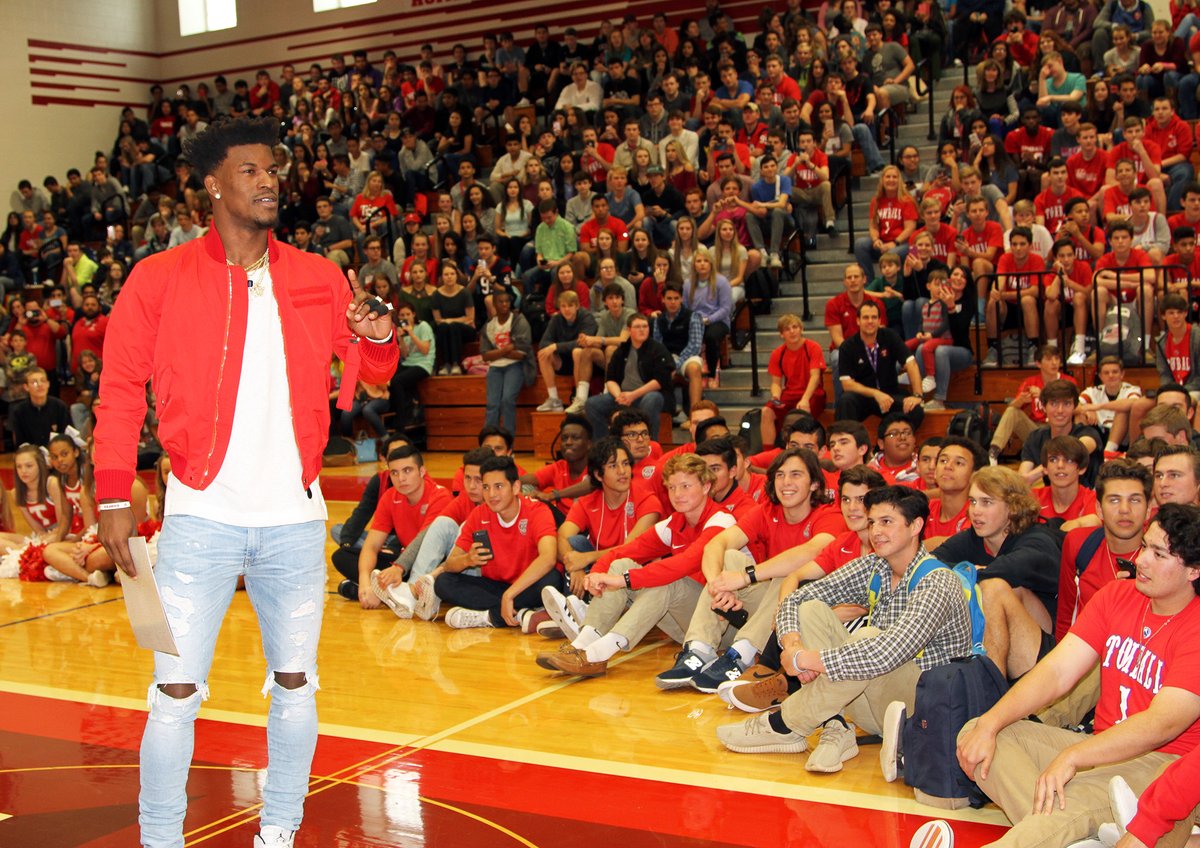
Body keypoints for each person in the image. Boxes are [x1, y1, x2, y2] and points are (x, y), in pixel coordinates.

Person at [93, 117, 397, 848]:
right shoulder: (158, 278)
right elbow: (120, 388)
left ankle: (278, 836)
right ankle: (160, 840)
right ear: (213, 184)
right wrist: (111, 495)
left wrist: (378, 334)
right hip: (200, 519)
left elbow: (372, 378)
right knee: (172, 695)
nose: (270, 182)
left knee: (296, 687)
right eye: (253, 171)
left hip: (295, 522)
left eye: (275, 171)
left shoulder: (319, 275)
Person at [952, 502, 1200, 848]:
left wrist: (1073, 757)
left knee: (1072, 801)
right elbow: (1056, 671)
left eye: (1159, 555)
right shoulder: (1117, 595)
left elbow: (1163, 723)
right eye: (1145, 545)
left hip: (1162, 762)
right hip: (1100, 748)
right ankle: (1086, 833)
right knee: (979, 735)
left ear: (1193, 571)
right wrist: (990, 723)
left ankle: (1072, 823)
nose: (1141, 560)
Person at [716, 485, 972, 774]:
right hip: (869, 699)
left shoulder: (938, 582)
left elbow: (886, 653)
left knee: (869, 638)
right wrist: (792, 645)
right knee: (811, 610)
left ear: (915, 526)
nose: (876, 531)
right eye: (873, 522)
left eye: (887, 522)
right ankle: (835, 726)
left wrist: (805, 661)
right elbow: (798, 597)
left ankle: (786, 723)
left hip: (918, 712)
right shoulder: (877, 566)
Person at [534, 452, 738, 677]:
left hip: (723, 628)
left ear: (706, 486)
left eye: (686, 486)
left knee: (668, 581)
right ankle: (583, 643)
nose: (677, 494)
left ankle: (598, 654)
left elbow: (684, 564)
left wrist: (623, 580)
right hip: (687, 624)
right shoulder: (675, 522)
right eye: (671, 488)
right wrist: (597, 574)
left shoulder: (722, 521)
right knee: (622, 563)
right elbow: (624, 551)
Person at [425, 455, 559, 629]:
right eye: (486, 487)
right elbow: (450, 564)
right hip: (496, 587)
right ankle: (520, 612)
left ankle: (488, 616)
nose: (492, 494)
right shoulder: (480, 514)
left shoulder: (537, 510)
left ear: (516, 487)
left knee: (552, 581)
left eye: (499, 486)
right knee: (444, 582)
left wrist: (510, 594)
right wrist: (467, 560)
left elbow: (548, 557)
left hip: (527, 585)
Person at [834, 300, 924, 430]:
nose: (870, 321)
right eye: (866, 317)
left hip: (890, 394)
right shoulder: (847, 346)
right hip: (863, 397)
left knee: (915, 409)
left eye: (874, 317)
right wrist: (876, 393)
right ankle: (846, 443)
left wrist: (917, 395)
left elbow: (911, 364)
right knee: (845, 401)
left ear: (879, 320)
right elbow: (847, 385)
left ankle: (886, 439)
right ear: (858, 321)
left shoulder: (890, 336)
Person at [585, 313, 674, 441]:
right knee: (592, 404)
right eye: (637, 327)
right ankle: (604, 444)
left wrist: (633, 395)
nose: (642, 329)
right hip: (624, 395)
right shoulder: (621, 350)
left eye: (645, 326)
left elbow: (660, 381)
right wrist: (618, 396)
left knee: (652, 399)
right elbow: (610, 379)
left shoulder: (657, 349)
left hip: (648, 394)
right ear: (629, 330)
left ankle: (650, 444)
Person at [762, 313, 826, 448]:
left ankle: (806, 449)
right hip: (790, 394)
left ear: (801, 329)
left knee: (802, 411)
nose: (792, 331)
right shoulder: (777, 353)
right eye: (787, 329)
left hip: (813, 393)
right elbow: (775, 383)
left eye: (795, 327)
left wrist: (805, 399)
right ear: (781, 334)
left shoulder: (813, 347)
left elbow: (815, 377)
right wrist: (775, 397)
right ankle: (768, 453)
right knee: (766, 412)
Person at [481, 287, 534, 436]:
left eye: (507, 301)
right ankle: (489, 441)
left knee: (507, 400)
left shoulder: (518, 320)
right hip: (495, 368)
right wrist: (505, 350)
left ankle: (508, 442)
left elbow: (521, 354)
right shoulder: (489, 325)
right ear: (494, 305)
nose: (504, 304)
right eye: (500, 302)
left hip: (515, 367)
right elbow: (485, 355)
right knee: (492, 405)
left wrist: (496, 353)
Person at [9, 367, 70, 448]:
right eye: (34, 382)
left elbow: (68, 436)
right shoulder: (19, 411)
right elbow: (20, 443)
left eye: (43, 381)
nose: (40, 385)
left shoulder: (60, 406)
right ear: (26, 387)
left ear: (48, 384)